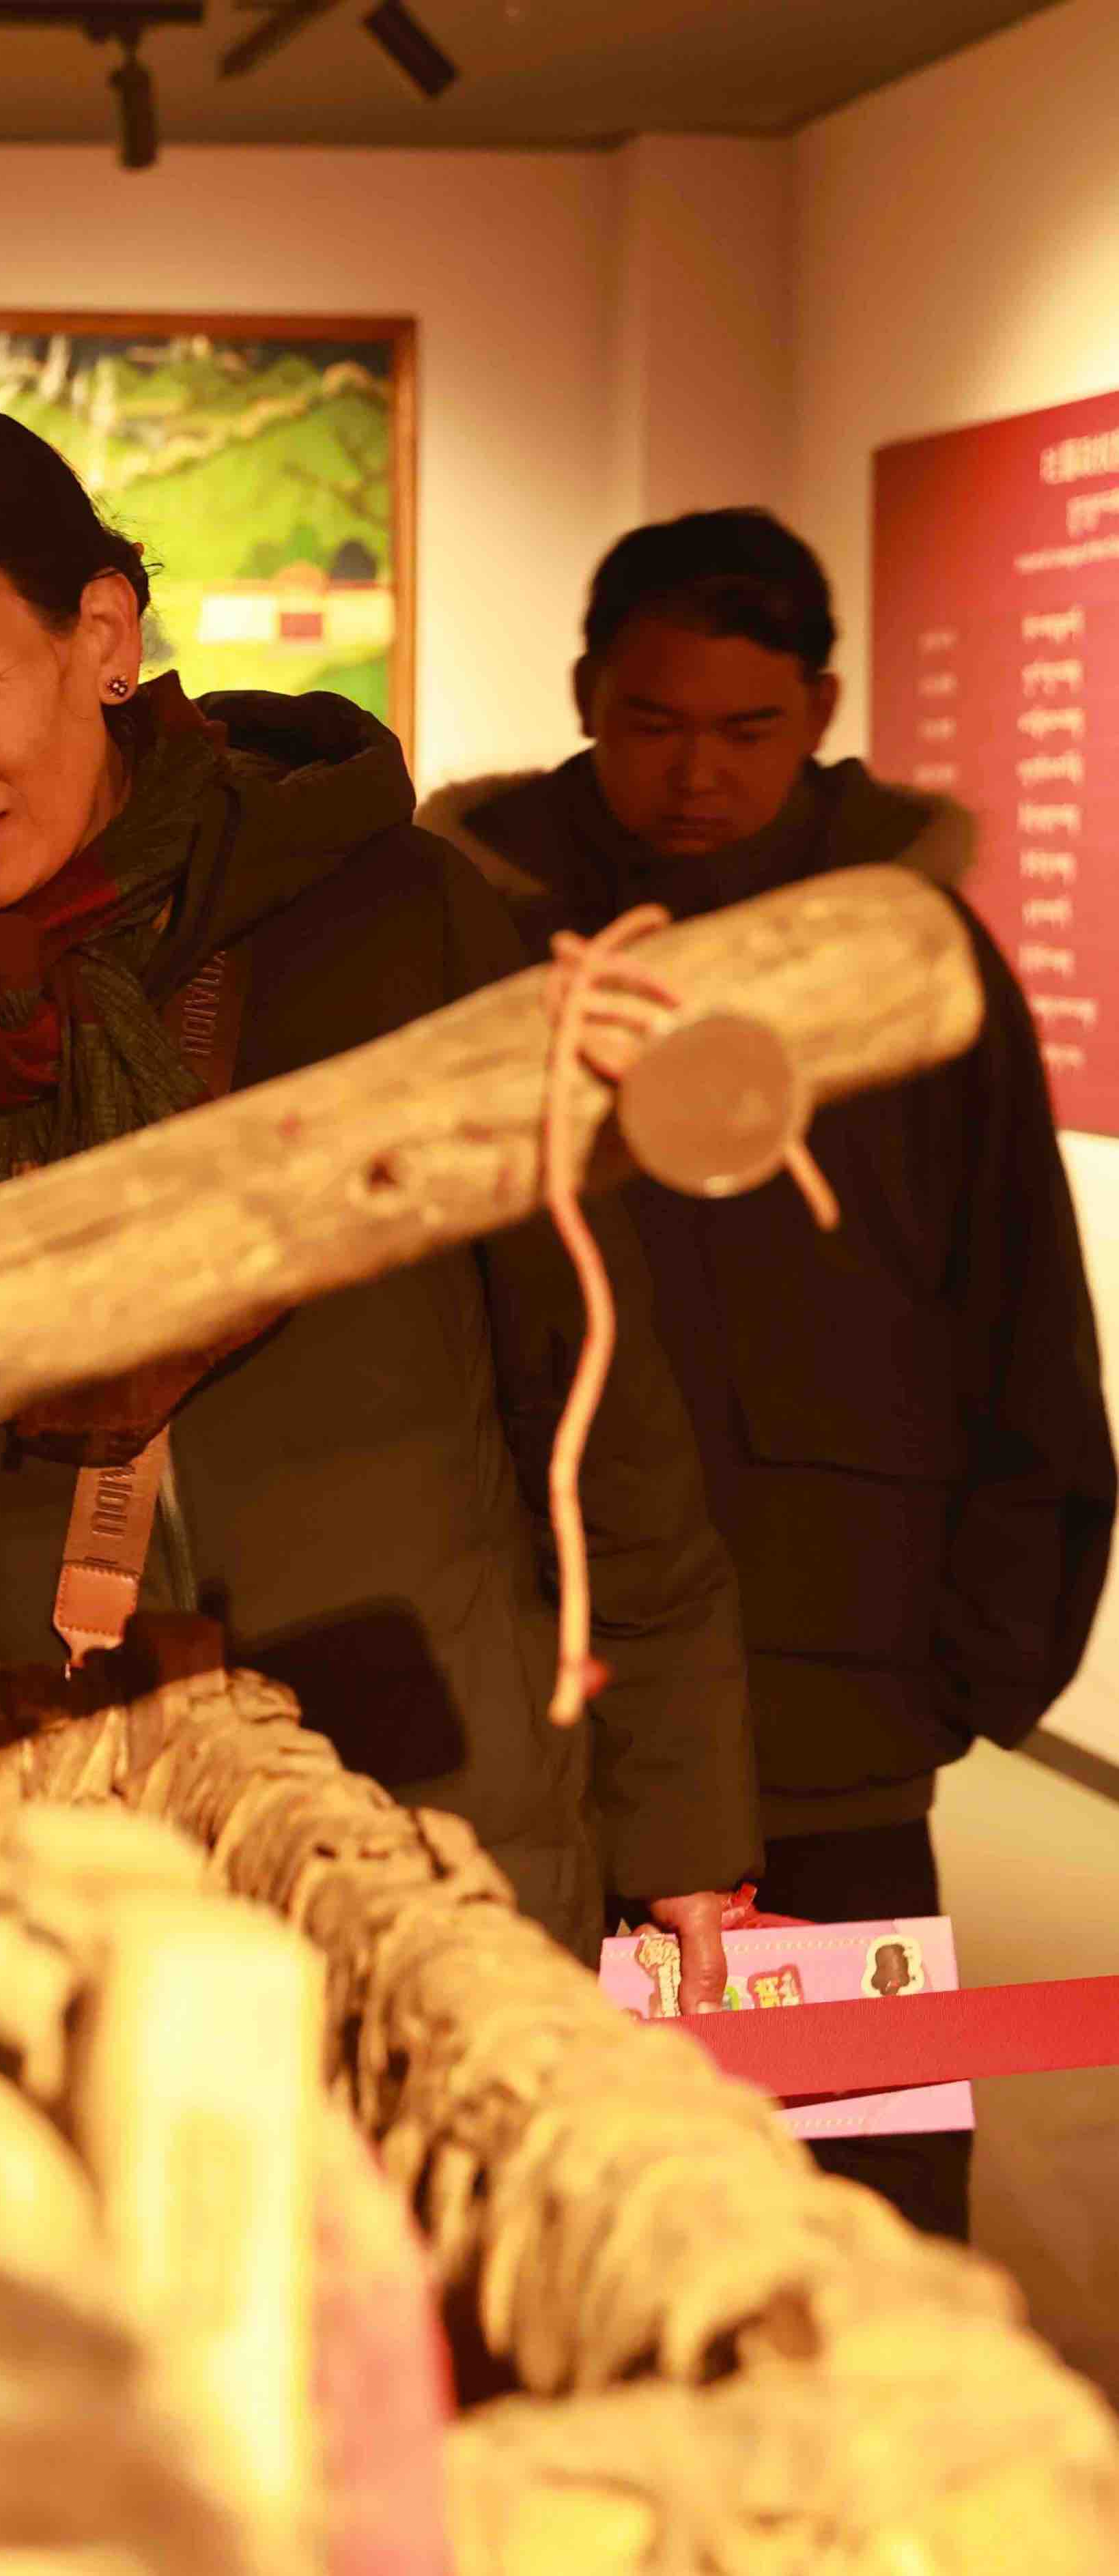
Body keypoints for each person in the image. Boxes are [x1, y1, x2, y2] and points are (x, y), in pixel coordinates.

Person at [0, 403, 756, 1979]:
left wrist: (678, 1808)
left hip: (435, 1813)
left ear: (101, 639)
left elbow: (596, 1393)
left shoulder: (397, 930)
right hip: (26, 1877)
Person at [419, 507, 1114, 2239]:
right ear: (585, 696)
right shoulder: (475, 940)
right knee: (559, 2196)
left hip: (842, 1691)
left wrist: (971, 1664)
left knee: (867, 2197)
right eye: (651, 723)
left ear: (820, 709)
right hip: (549, 1680)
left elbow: (1019, 1315)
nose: (695, 776)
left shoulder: (911, 958)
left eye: (745, 729)